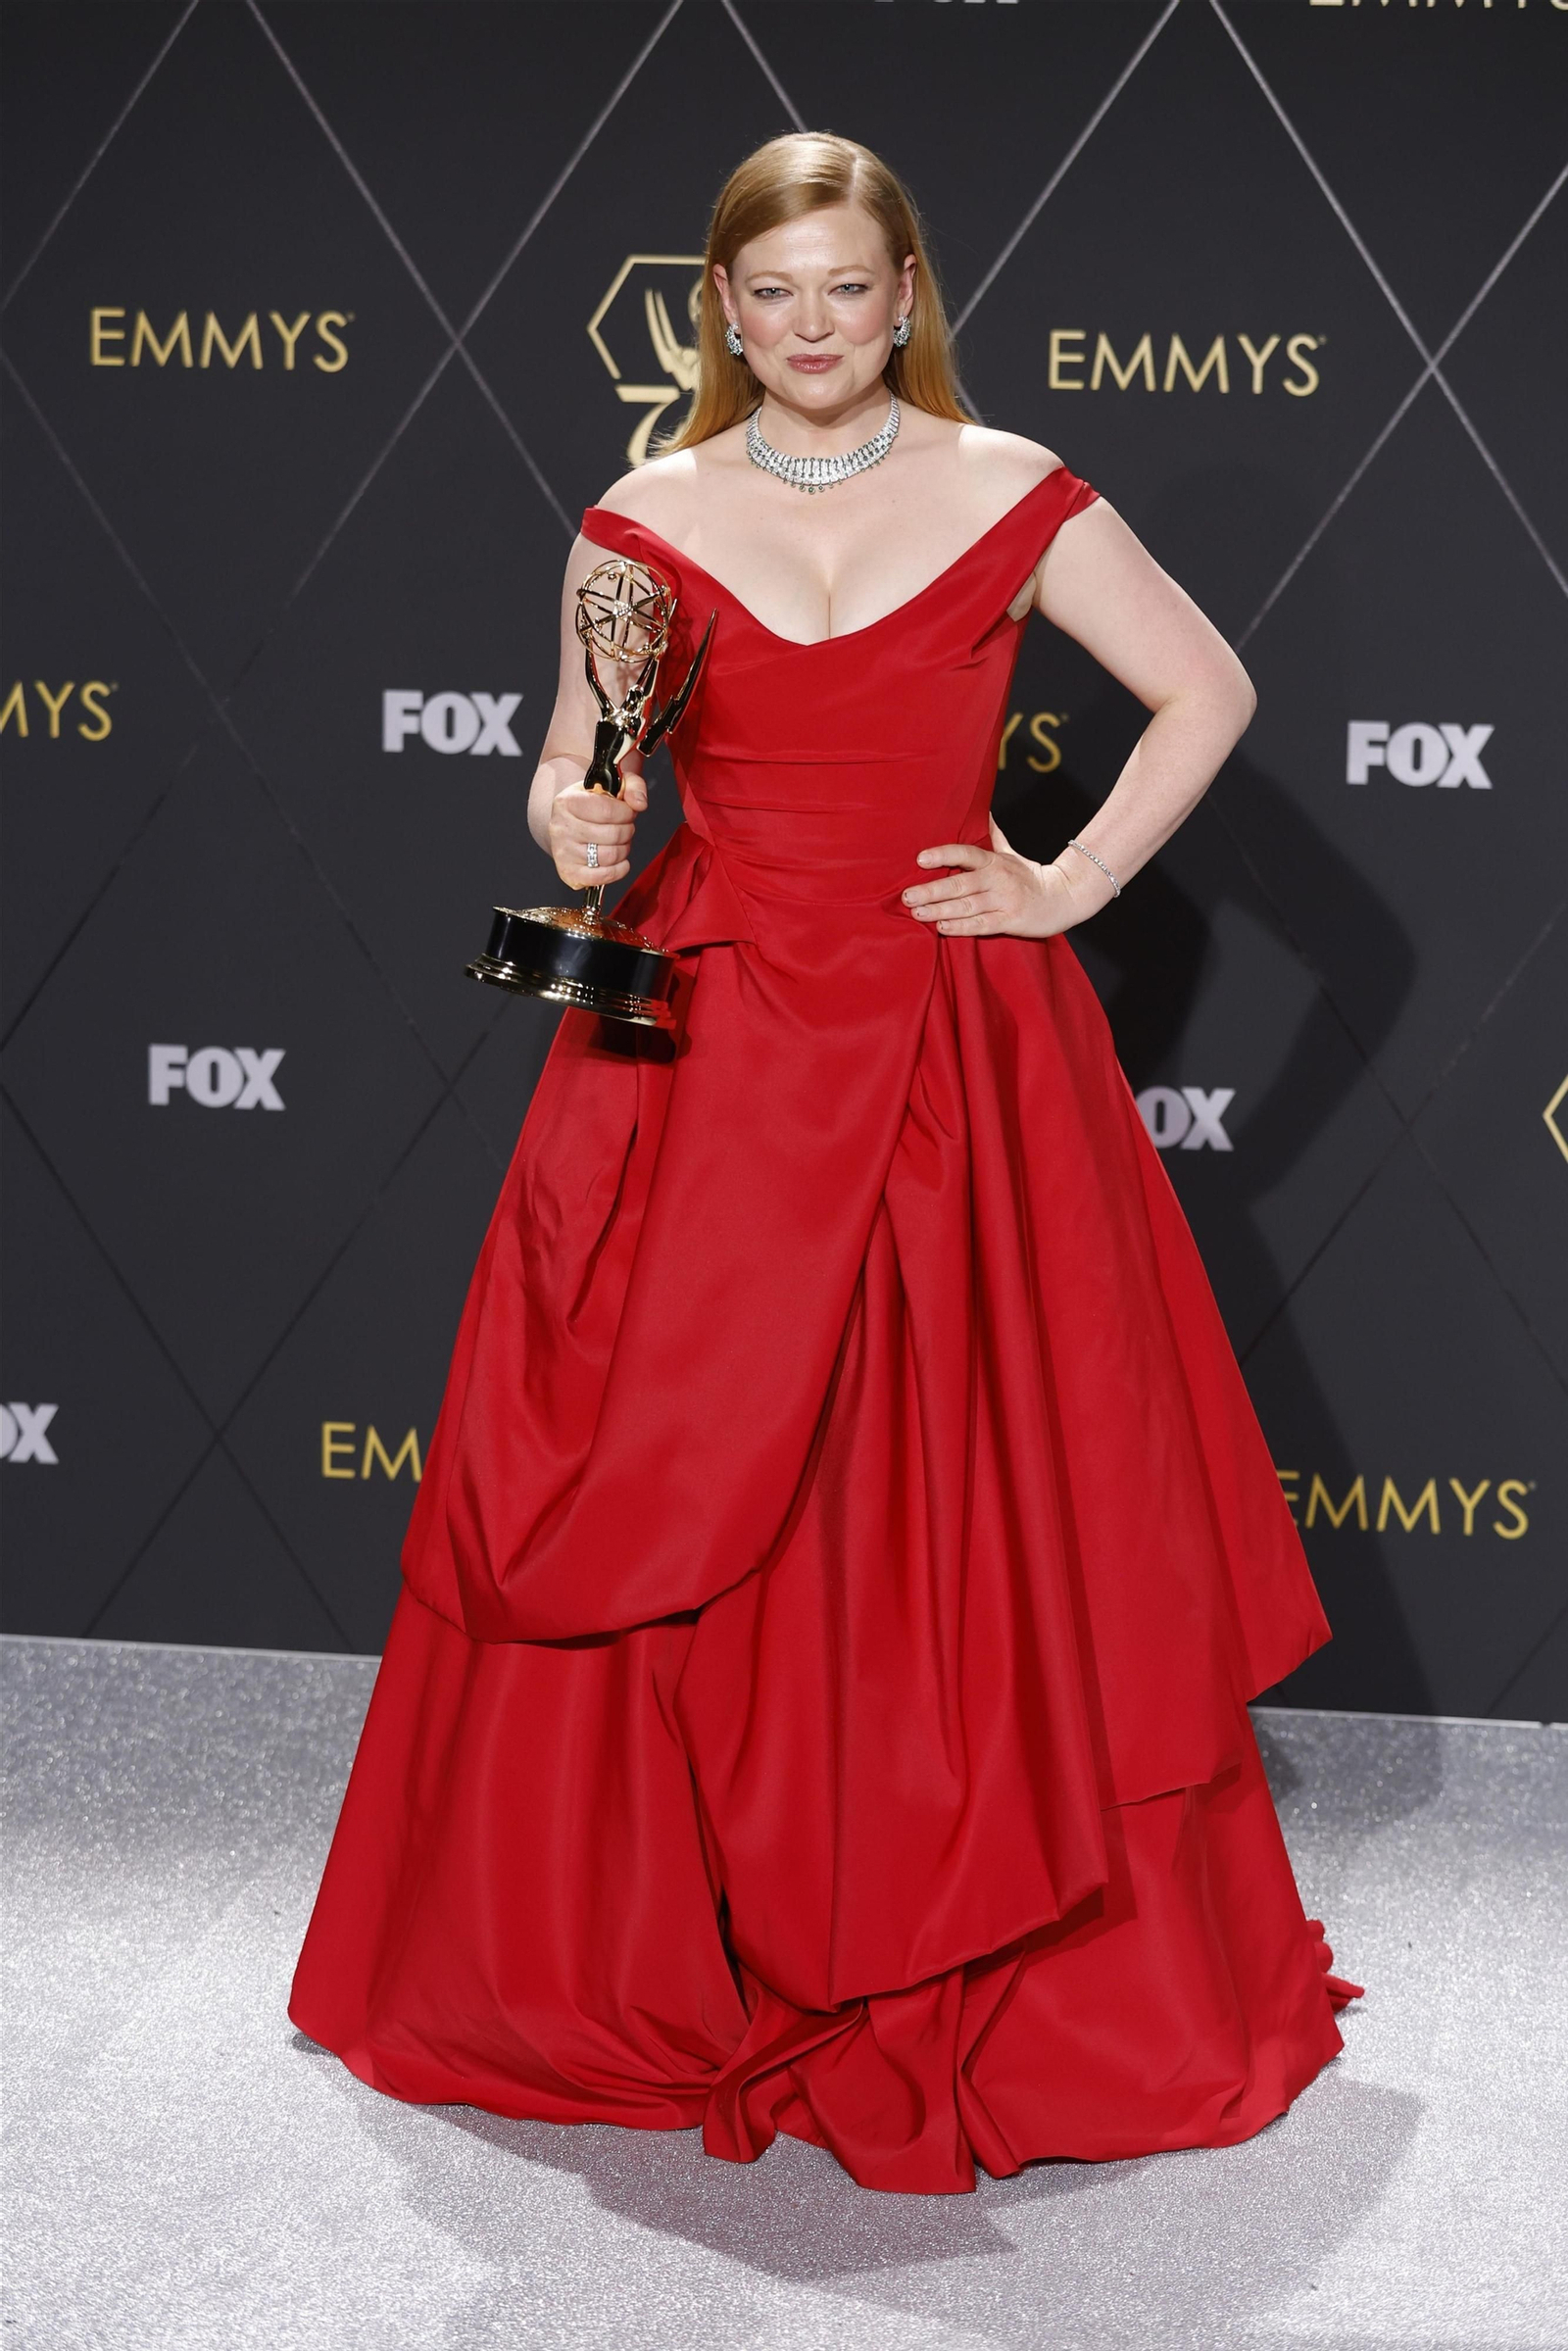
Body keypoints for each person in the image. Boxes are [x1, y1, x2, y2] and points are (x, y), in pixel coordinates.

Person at [290, 131, 1359, 2197]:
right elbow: (575, 763)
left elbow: (1204, 688)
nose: (808, 326)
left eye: (845, 287)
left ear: (905, 294)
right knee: (665, 1454)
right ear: (720, 304)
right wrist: (571, 819)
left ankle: (961, 1926)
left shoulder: (1010, 489)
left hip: (951, 1043)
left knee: (946, 1471)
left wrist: (1067, 883)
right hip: (701, 1045)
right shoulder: (642, 517)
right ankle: (655, 1936)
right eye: (768, 292)